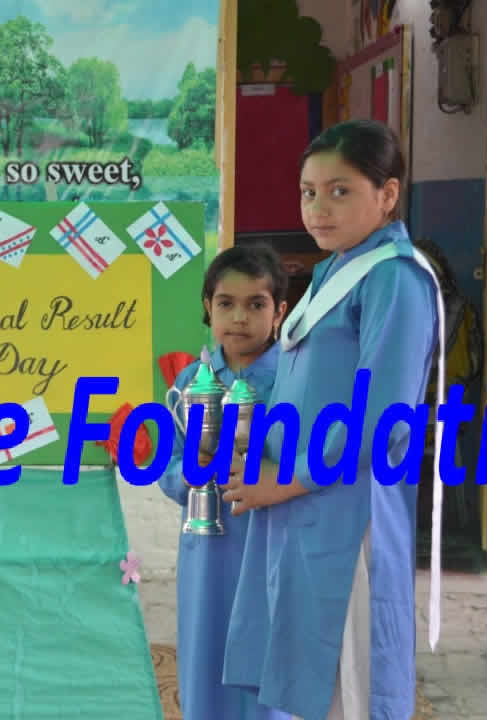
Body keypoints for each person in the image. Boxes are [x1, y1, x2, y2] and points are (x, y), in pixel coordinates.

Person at [220, 119, 446, 720]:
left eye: (339, 191)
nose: (318, 208)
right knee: (307, 681)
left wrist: (284, 480)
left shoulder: (394, 278)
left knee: (348, 682)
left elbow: (383, 418)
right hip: (302, 503)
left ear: (388, 194)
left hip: (345, 511)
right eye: (308, 192)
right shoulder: (333, 271)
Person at [159, 243, 290, 720]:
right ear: (207, 308)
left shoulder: (293, 379)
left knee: (271, 661)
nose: (239, 317)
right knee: (205, 657)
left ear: (280, 312)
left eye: (256, 304)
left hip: (272, 542)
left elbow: (307, 461)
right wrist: (189, 471)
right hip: (207, 553)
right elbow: (168, 466)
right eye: (226, 303)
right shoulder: (189, 382)